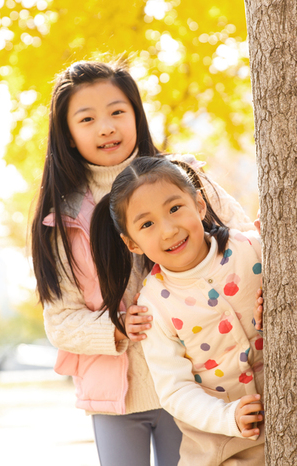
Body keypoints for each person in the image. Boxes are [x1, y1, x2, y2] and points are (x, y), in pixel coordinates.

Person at [30, 60, 254, 466]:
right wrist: (116, 328)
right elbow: (60, 322)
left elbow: (245, 238)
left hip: (195, 381)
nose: (106, 127)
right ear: (67, 133)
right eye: (87, 119)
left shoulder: (182, 177)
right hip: (116, 395)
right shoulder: (61, 220)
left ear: (136, 113)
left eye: (117, 111)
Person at [90, 157, 265, 466]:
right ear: (132, 243)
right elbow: (175, 390)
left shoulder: (251, 248)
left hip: (291, 419)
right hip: (218, 449)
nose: (169, 230)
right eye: (147, 224)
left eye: (174, 208)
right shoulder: (154, 305)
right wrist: (227, 417)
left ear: (199, 205)